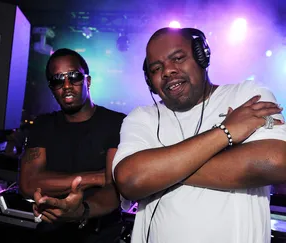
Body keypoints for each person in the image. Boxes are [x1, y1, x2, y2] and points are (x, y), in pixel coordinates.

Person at [112, 27, 286, 243]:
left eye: (177, 58)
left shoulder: (247, 96)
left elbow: (276, 162)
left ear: (202, 56)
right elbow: (131, 180)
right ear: (150, 81)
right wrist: (226, 133)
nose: (167, 71)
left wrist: (159, 170)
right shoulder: (142, 118)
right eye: (156, 68)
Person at [19, 48, 126, 243]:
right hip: (51, 234)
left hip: (100, 235)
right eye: (58, 79)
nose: (67, 85)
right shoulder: (43, 124)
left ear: (88, 81)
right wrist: (97, 177)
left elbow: (114, 191)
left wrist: (80, 210)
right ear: (52, 88)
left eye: (74, 76)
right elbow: (28, 184)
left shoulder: (116, 123)